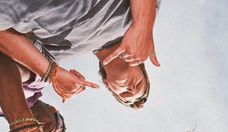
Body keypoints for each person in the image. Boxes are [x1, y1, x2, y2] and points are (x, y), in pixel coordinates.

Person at [0, 0, 161, 108]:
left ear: (108, 85)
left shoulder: (53, 56)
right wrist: (143, 25)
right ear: (141, 64)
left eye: (125, 93)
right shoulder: (138, 17)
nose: (131, 89)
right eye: (139, 85)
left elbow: (3, 35)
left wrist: (52, 73)